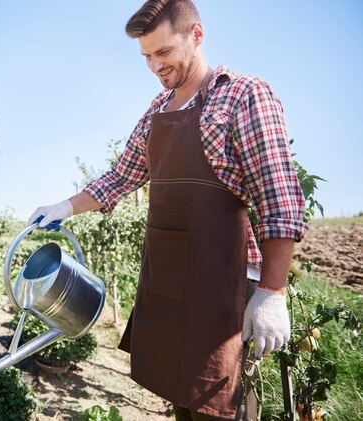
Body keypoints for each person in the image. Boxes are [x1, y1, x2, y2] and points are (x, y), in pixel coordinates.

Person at [27, 1, 309, 420]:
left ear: (196, 35)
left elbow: (278, 197)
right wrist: (64, 206)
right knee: (181, 404)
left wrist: (271, 293)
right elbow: (120, 177)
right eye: (146, 56)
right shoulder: (156, 111)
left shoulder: (242, 94)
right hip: (169, 283)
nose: (155, 65)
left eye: (163, 52)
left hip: (224, 289)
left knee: (221, 407)